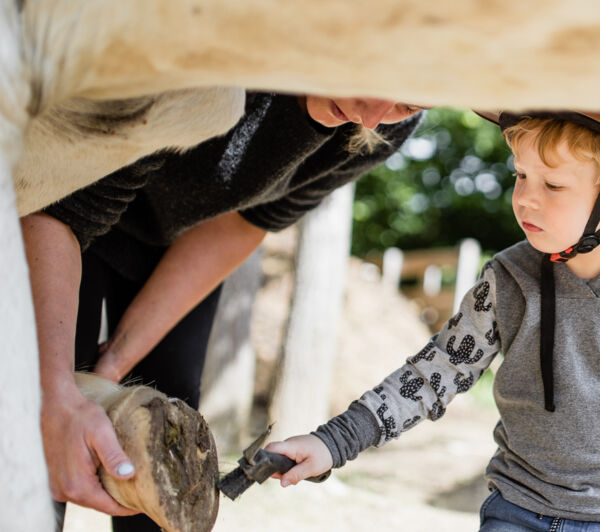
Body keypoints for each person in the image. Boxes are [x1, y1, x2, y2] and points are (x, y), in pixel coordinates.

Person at [267, 100, 600, 532]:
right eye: (521, 175)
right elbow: (435, 373)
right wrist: (334, 442)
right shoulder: (508, 281)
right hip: (516, 512)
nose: (526, 198)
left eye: (552, 184)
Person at [21, 93, 423, 531]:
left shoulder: (386, 126)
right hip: (61, 202)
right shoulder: (211, 72)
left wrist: (118, 359)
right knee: (33, 421)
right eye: (373, 83)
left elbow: (244, 222)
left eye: (405, 105)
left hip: (182, 235)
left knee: (170, 429)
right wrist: (52, 393)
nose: (372, 118)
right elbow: (61, 205)